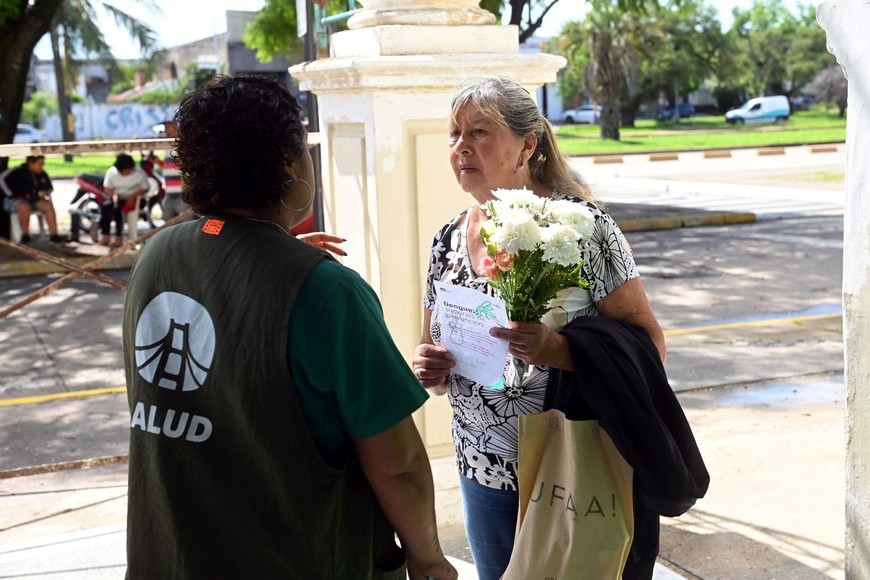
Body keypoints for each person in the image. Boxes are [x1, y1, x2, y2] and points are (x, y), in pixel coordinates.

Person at [122, 74, 457, 580]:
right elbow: (398, 462)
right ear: (288, 164)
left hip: (168, 556)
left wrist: (281, 260)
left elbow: (229, 295)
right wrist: (429, 559)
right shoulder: (326, 292)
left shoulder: (157, 255)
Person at [412, 76, 667, 580]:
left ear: (528, 145)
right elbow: (431, 344)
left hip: (569, 467)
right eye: (454, 134)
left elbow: (648, 346)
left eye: (479, 133)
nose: (461, 147)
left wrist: (562, 350)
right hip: (481, 467)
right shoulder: (446, 239)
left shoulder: (583, 228)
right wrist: (430, 367)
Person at [0, 155, 65, 244]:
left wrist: (45, 193)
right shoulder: (17, 171)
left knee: (48, 205)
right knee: (24, 207)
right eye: (40, 164)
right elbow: (1, 179)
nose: (42, 167)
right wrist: (10, 195)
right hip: (14, 201)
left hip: (33, 200)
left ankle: (54, 235)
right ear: (31, 163)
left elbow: (49, 188)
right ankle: (25, 235)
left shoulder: (42, 173)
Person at [102, 153, 149, 247]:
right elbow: (107, 187)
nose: (126, 172)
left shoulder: (138, 173)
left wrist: (133, 196)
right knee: (105, 207)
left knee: (117, 209)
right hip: (119, 197)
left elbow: (145, 188)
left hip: (136, 199)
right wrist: (114, 196)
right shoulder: (112, 172)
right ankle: (105, 235)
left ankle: (119, 237)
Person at [152, 119, 189, 221]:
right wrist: (158, 162)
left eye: (169, 126)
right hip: (169, 190)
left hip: (181, 191)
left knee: (185, 220)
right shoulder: (167, 145)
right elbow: (169, 165)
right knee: (168, 220)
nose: (167, 129)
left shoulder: (182, 143)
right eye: (166, 127)